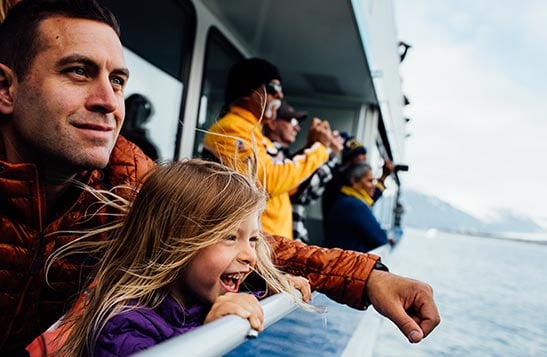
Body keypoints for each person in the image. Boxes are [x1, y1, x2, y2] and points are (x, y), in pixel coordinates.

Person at [0, 1, 438, 353]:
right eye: (78, 71)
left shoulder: (122, 172)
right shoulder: (232, 134)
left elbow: (224, 234)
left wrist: (368, 277)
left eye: (117, 80)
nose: (109, 101)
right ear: (6, 89)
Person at [53, 159, 312, 356]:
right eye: (230, 237)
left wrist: (274, 290)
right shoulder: (122, 327)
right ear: (173, 243)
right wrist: (208, 334)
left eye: (253, 239)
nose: (250, 256)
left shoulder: (200, 298)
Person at [202, 58, 334, 239]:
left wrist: (310, 147)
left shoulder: (254, 133)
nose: (280, 95)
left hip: (272, 244)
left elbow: (288, 185)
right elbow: (268, 183)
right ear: (248, 91)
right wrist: (319, 149)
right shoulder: (231, 129)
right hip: (257, 246)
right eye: (273, 88)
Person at [262, 101, 344, 242]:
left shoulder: (281, 156)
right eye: (292, 120)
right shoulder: (265, 153)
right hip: (272, 242)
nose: (297, 128)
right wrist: (326, 151)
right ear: (272, 123)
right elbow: (300, 192)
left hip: (284, 240)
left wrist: (314, 147)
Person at [322, 135, 394, 218]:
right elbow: (369, 198)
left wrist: (384, 176)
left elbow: (369, 196)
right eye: (361, 154)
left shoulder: (340, 174)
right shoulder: (336, 176)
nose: (365, 158)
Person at [324, 162, 390, 252]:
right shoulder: (355, 205)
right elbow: (380, 239)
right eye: (369, 181)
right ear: (354, 181)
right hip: (348, 263)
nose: (374, 185)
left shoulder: (343, 199)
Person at [120, 93, 159, 161]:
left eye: (136, 113)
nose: (131, 117)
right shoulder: (112, 137)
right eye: (130, 110)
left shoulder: (148, 149)